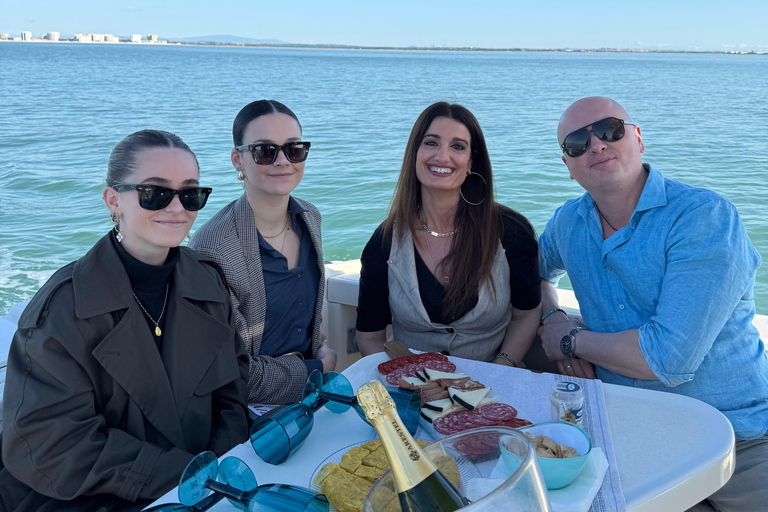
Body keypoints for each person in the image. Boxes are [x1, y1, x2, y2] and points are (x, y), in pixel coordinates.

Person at [538, 96, 768, 511]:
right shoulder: (567, 223)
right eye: (576, 143)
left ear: (638, 138)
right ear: (568, 168)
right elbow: (534, 274)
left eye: (609, 130)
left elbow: (666, 358)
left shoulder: (703, 218)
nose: (595, 145)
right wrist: (553, 313)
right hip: (627, 431)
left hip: (739, 439)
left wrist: (569, 340)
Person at [0, 130, 250, 512]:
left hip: (206, 485)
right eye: (155, 192)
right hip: (95, 496)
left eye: (190, 192)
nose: (177, 207)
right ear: (113, 199)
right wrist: (189, 476)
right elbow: (54, 443)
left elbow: (232, 391)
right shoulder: (62, 310)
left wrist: (219, 466)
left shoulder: (209, 282)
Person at [355, 102, 541, 366]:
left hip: (496, 388)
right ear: (414, 153)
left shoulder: (512, 232)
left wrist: (501, 369)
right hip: (412, 391)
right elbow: (370, 336)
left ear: (471, 163)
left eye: (457, 146)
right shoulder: (384, 242)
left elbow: (526, 316)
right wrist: (405, 381)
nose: (443, 156)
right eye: (431, 143)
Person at [189, 100, 336, 405]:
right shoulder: (213, 247)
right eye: (265, 151)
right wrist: (319, 368)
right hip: (249, 415)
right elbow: (234, 374)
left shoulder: (310, 217)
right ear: (238, 160)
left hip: (310, 398)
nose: (283, 161)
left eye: (294, 149)